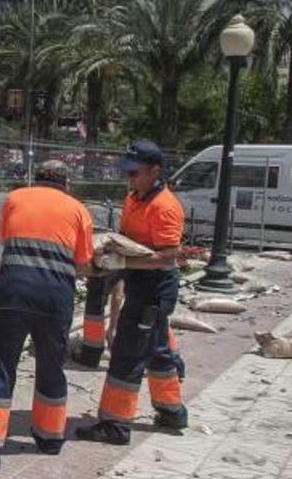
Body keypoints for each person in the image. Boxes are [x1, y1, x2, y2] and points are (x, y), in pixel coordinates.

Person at [0, 160, 95, 470]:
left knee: (0, 364)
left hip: (13, 293)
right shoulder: (79, 210)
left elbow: (7, 238)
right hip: (56, 299)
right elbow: (84, 262)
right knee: (51, 364)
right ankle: (49, 437)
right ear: (66, 184)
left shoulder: (16, 198)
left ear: (36, 179)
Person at [76, 140, 189, 445]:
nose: (129, 178)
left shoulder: (165, 207)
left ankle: (115, 425)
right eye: (126, 172)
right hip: (141, 282)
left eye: (135, 172)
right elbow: (126, 240)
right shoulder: (134, 198)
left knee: (127, 354)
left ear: (155, 171)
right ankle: (172, 410)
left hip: (156, 288)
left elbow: (167, 257)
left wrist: (122, 262)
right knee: (157, 349)